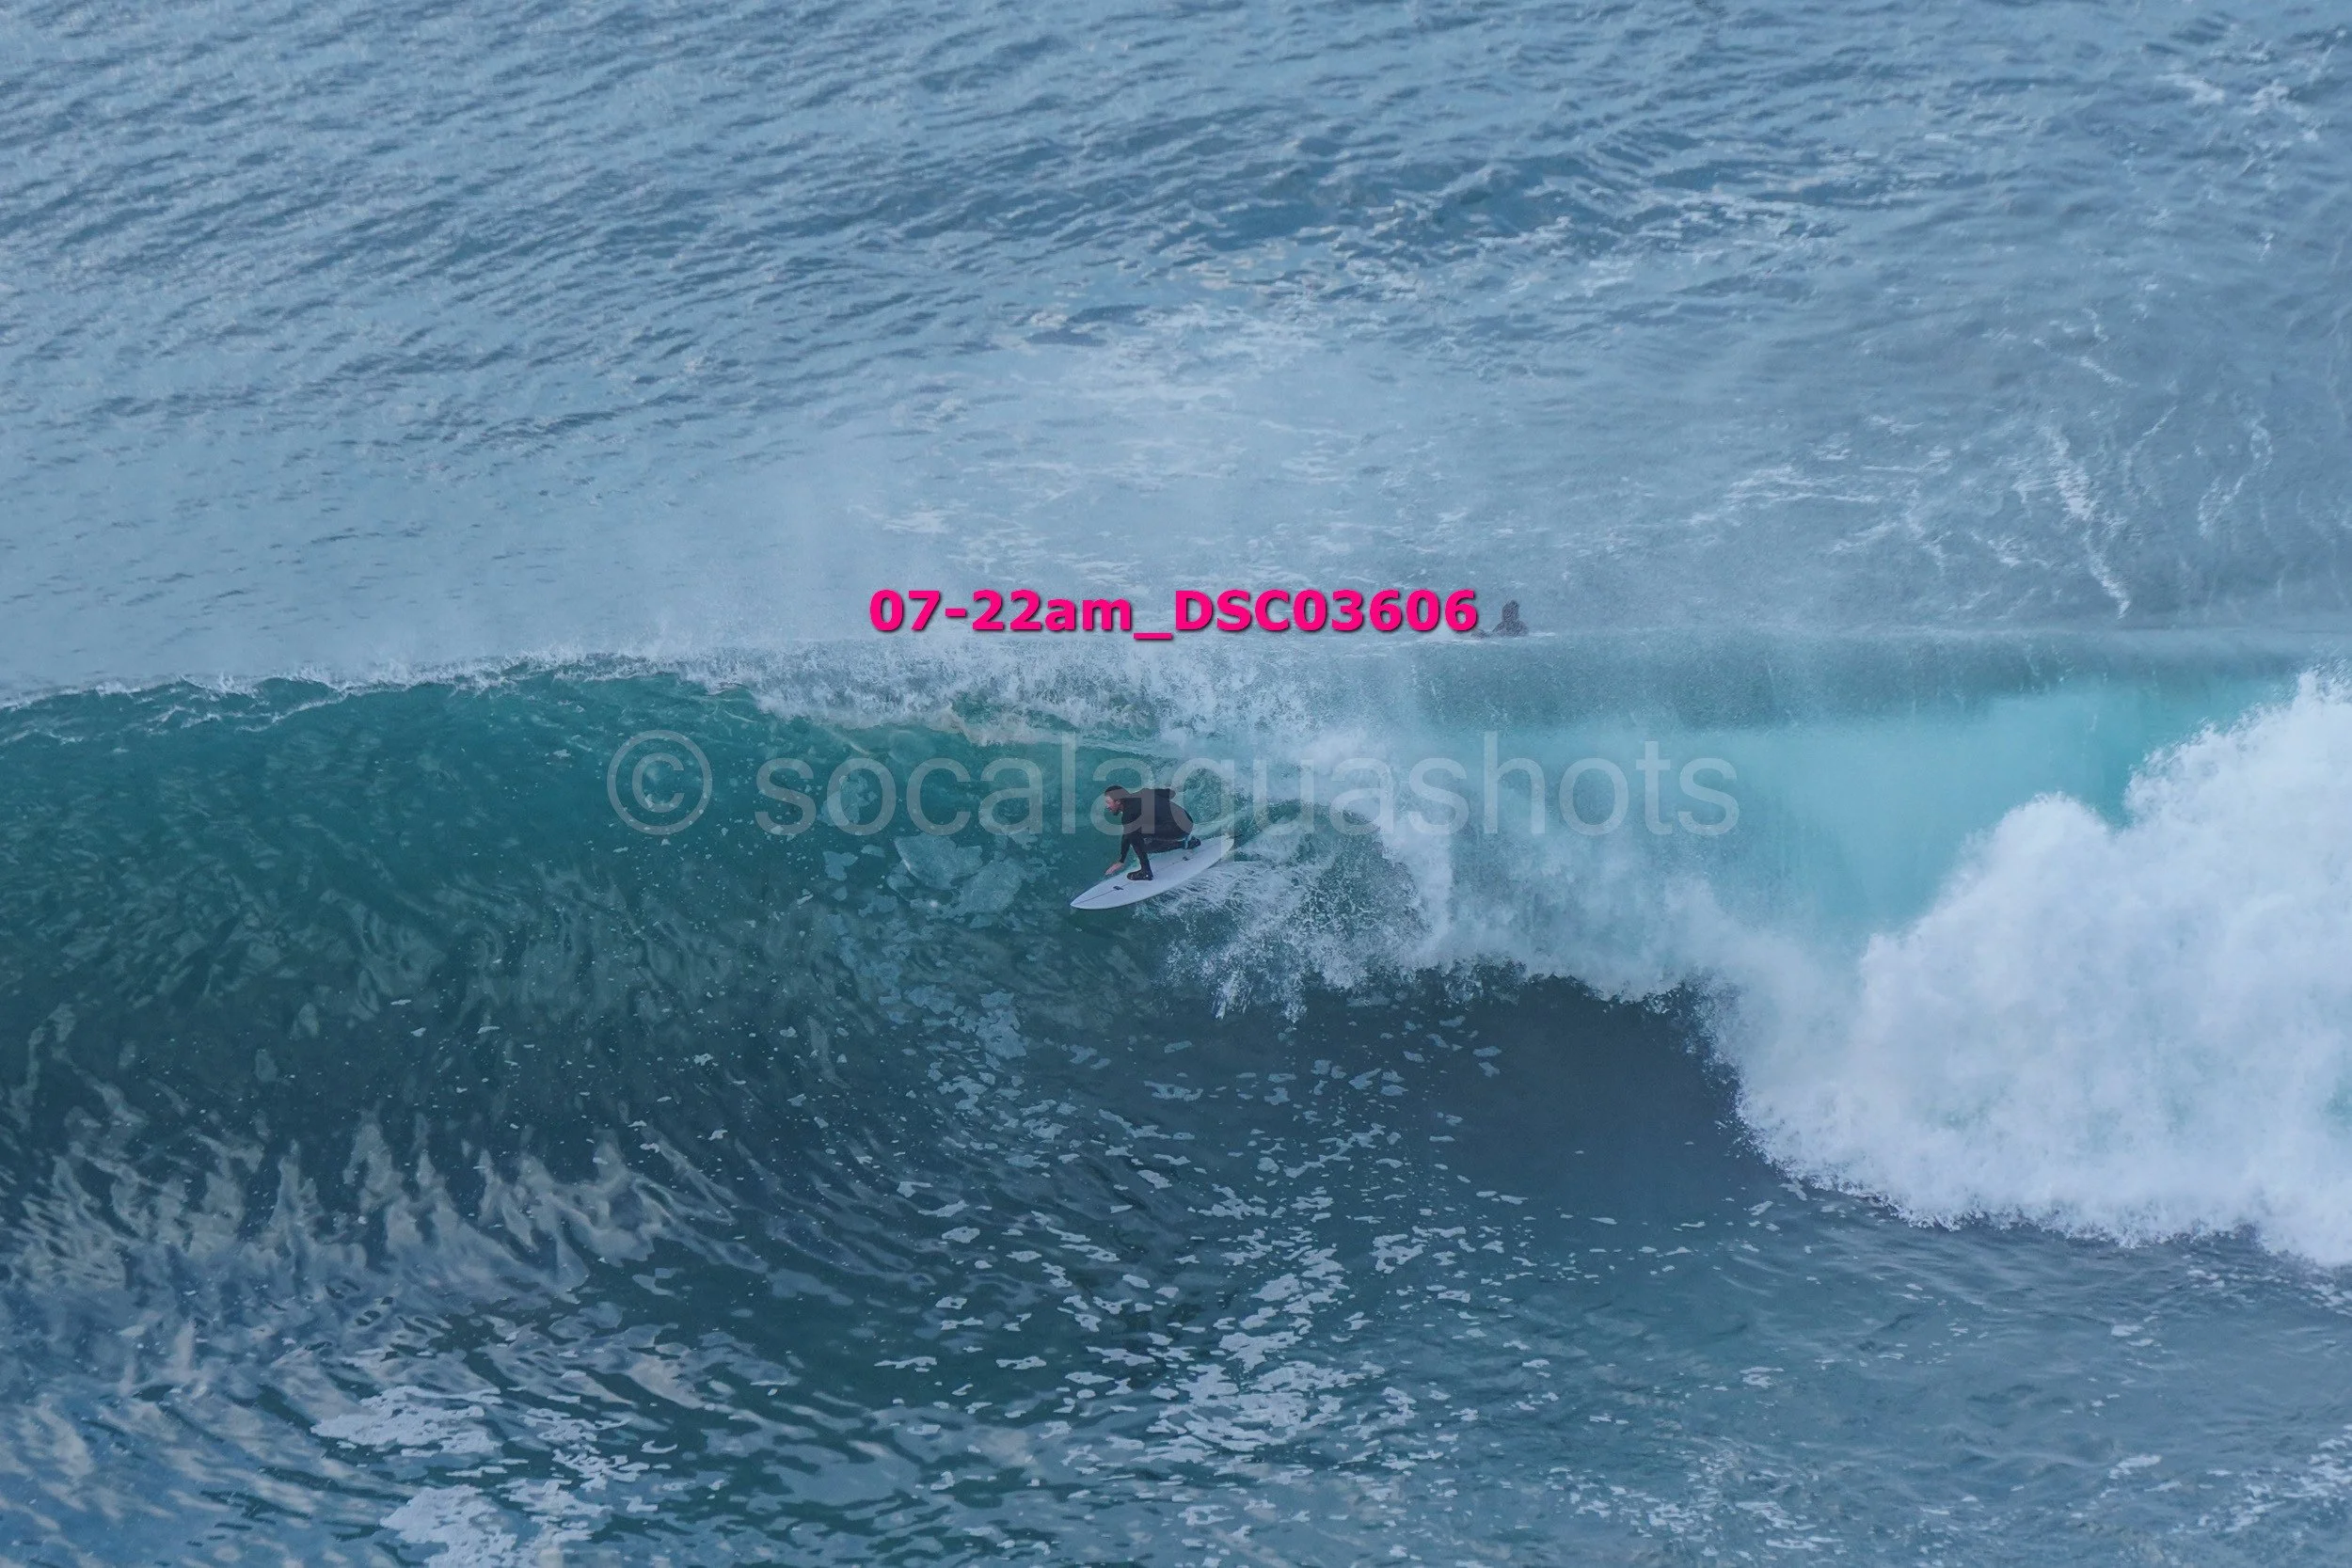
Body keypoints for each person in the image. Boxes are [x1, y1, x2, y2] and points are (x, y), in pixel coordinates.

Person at [1103, 785, 1195, 881]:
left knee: (1135, 835)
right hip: (1188, 821)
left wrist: (1121, 861)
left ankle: (1145, 871)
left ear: (1118, 802)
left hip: (1178, 830)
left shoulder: (1128, 815)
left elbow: (1127, 837)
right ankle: (1187, 843)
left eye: (1108, 802)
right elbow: (1170, 794)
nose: (1107, 806)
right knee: (1146, 835)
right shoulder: (1145, 792)